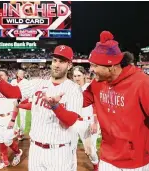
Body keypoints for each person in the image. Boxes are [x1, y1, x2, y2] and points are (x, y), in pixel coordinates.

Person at [34, 31, 149, 171]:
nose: (91, 70)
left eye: (95, 66)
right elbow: (78, 100)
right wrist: (47, 102)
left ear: (111, 66)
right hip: (107, 158)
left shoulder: (141, 83)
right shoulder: (97, 83)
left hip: (136, 161)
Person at [0, 45, 83, 171]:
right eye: (55, 60)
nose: (57, 64)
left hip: (59, 151)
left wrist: (55, 106)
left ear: (69, 65)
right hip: (36, 151)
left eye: (62, 61)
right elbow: (12, 92)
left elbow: (70, 120)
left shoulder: (74, 89)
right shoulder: (38, 83)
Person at [0, 70, 23, 170]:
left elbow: (16, 105)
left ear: (7, 77)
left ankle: (18, 153)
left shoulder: (12, 88)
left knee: (7, 140)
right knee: (1, 140)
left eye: (2, 75)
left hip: (9, 117)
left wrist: (13, 120)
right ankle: (4, 161)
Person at [71, 65, 99, 171]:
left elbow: (96, 105)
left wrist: (94, 122)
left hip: (88, 122)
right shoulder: (71, 89)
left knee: (90, 151)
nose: (77, 78)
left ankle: (96, 166)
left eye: (79, 75)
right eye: (74, 76)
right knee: (70, 149)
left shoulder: (90, 87)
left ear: (84, 75)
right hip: (74, 123)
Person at [11, 69, 28, 141]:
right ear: (17, 74)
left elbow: (27, 92)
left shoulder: (26, 82)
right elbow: (11, 91)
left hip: (23, 102)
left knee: (22, 118)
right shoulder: (13, 81)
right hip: (14, 101)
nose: (22, 74)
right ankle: (16, 130)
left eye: (22, 73)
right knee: (13, 117)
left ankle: (21, 133)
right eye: (20, 73)